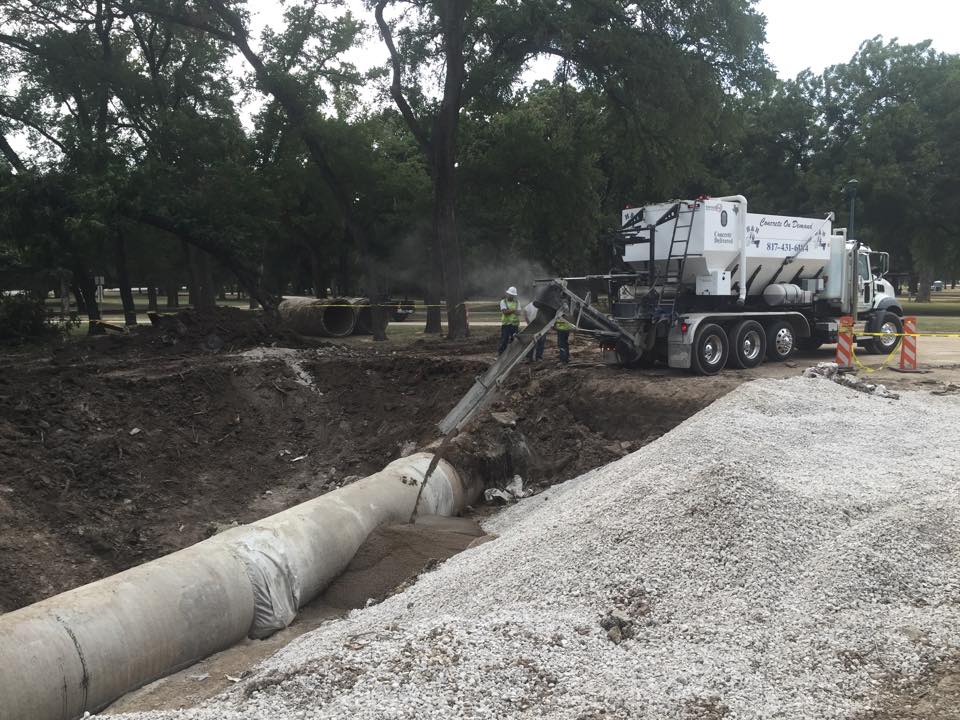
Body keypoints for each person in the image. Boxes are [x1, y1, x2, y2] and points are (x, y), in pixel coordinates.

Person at [498, 286, 520, 354]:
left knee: (515, 340)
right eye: (510, 295)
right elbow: (505, 312)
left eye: (513, 295)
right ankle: (501, 354)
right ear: (508, 294)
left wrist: (510, 311)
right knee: (504, 340)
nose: (511, 296)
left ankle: (512, 355)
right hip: (506, 324)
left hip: (515, 325)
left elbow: (519, 312)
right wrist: (513, 310)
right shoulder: (503, 301)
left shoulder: (517, 302)